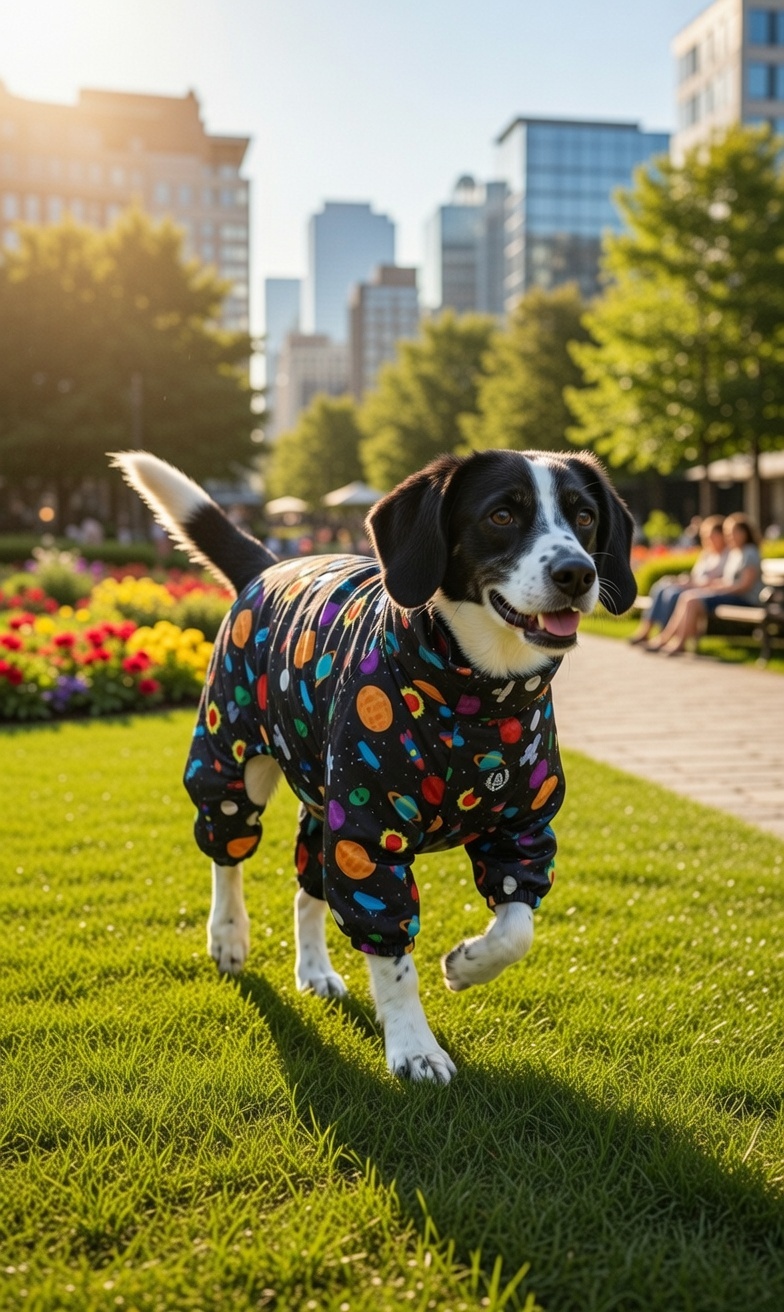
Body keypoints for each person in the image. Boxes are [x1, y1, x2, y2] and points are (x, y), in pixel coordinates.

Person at [646, 513, 763, 656]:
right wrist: (714, 585)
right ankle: (667, 638)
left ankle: (678, 643)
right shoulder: (736, 553)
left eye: (734, 532)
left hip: (744, 599)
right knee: (688, 597)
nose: (730, 537)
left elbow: (744, 586)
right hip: (730, 595)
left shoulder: (749, 552)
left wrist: (719, 588)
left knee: (692, 600)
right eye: (728, 533)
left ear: (745, 533)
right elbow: (728, 581)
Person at [629, 515, 727, 647]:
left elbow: (718, 581)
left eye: (712, 536)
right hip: (693, 585)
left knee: (674, 594)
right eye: (706, 536)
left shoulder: (726, 555)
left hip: (702, 590)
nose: (708, 539)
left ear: (722, 536)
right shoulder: (707, 554)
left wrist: (691, 584)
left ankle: (664, 634)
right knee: (662, 587)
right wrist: (683, 580)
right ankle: (646, 630)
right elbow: (696, 575)